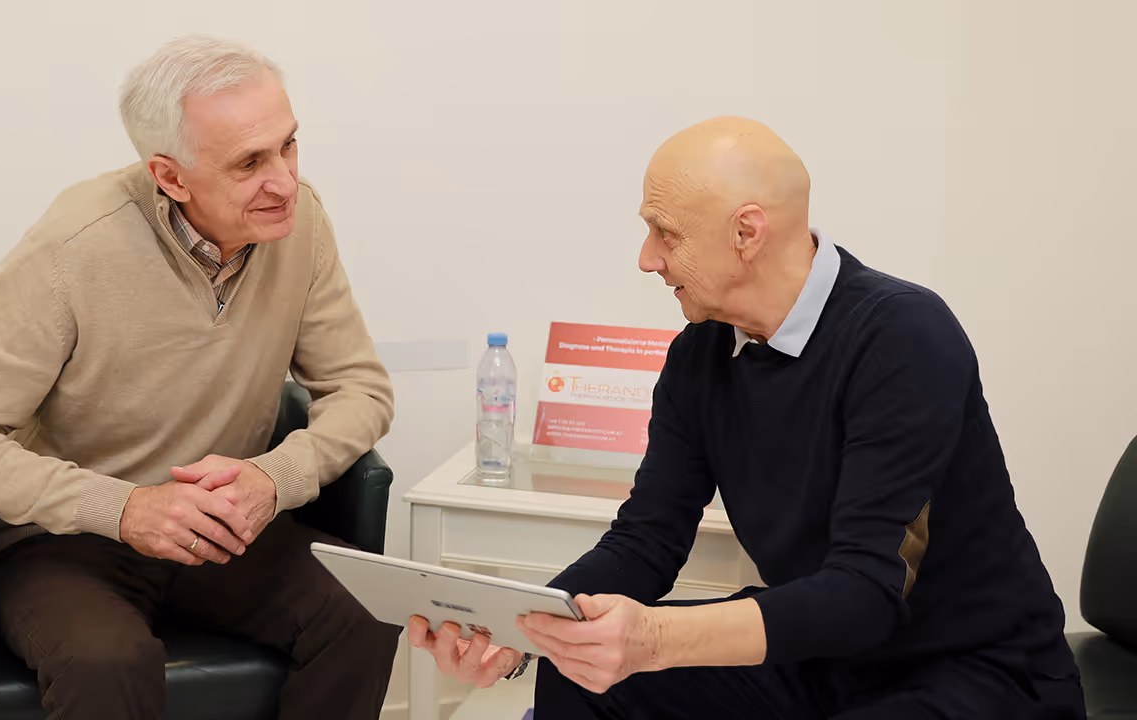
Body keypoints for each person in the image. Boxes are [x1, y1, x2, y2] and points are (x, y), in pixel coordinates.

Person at [409, 117, 1085, 719]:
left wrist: (652, 641)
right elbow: (647, 541)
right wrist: (520, 632)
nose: (647, 258)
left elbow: (864, 593)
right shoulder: (699, 356)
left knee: (632, 659)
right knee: (585, 678)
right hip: (827, 659)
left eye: (663, 232)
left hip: (976, 671)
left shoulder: (903, 335)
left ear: (746, 233)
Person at [0, 35, 399, 720]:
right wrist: (126, 508)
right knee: (109, 663)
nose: (283, 180)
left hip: (222, 531)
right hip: (68, 542)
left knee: (370, 609)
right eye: (250, 162)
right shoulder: (72, 249)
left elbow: (361, 389)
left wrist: (273, 477)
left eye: (288, 145)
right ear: (170, 176)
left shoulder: (300, 219)